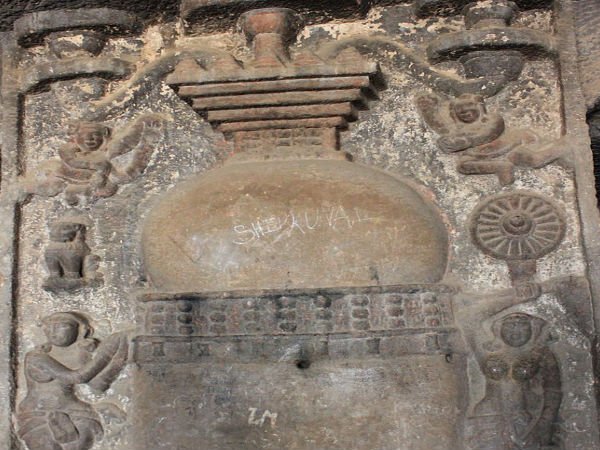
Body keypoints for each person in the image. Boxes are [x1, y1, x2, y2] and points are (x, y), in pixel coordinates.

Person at [16, 312, 128, 450]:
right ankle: (65, 423)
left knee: (80, 444)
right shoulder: (36, 357)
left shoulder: (79, 354)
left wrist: (120, 354)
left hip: (74, 409)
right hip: (40, 411)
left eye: (62, 326)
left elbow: (98, 384)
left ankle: (96, 411)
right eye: (49, 327)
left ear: (80, 329)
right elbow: (77, 377)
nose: (53, 331)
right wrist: (107, 352)